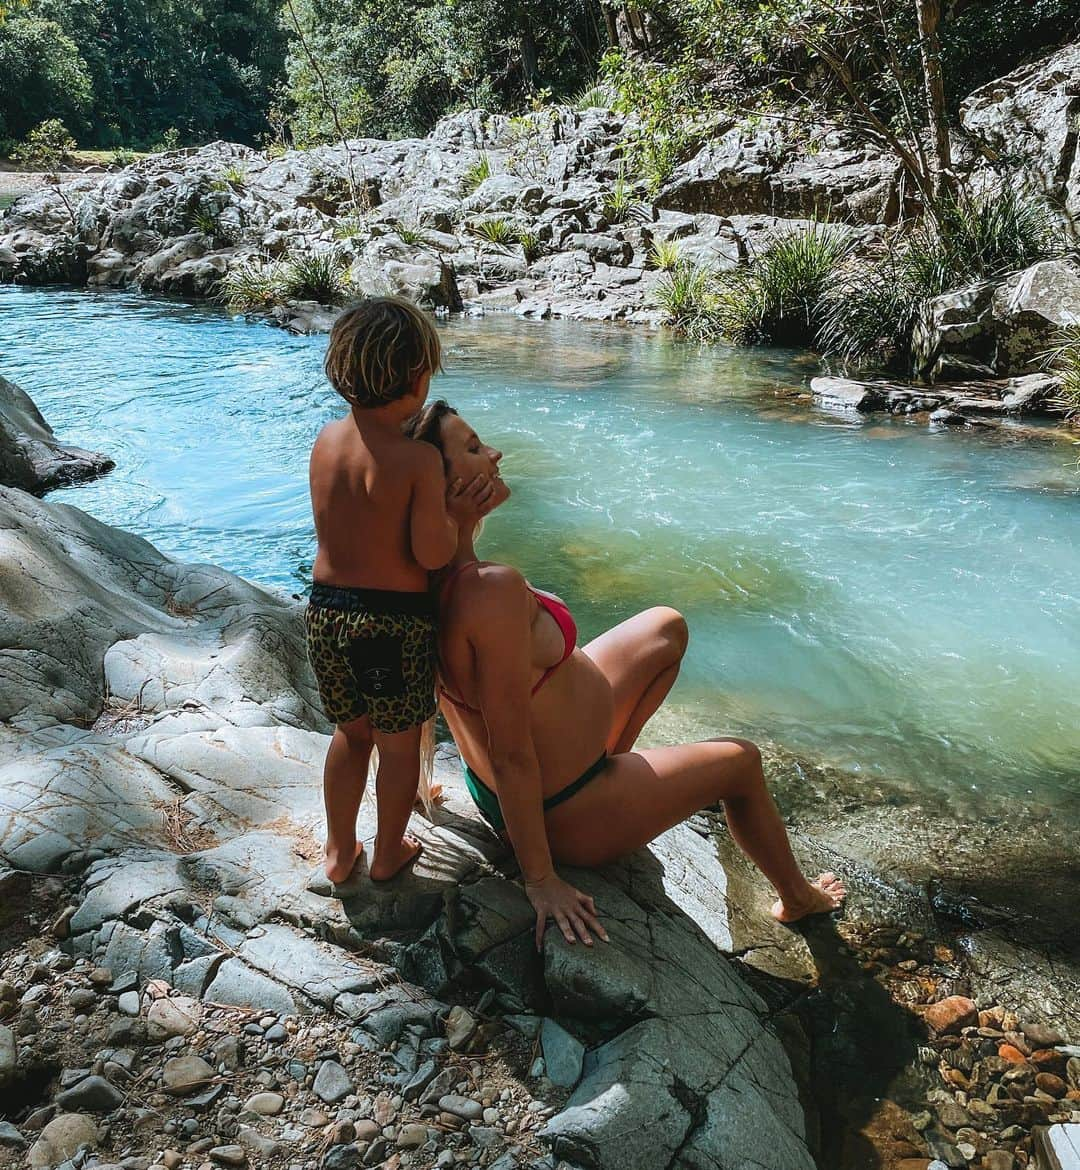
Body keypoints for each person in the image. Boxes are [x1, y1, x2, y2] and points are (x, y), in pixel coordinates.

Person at [404, 400, 847, 949]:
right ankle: (800, 900)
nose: (495, 453)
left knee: (666, 627)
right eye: (472, 449)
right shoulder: (486, 592)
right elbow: (510, 752)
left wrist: (415, 785)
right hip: (566, 810)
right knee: (741, 761)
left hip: (556, 770)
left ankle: (619, 766)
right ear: (438, 489)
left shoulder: (426, 577)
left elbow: (419, 696)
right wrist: (541, 881)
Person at [306, 300, 491, 884]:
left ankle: (338, 851)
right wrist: (456, 517)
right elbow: (430, 553)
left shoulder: (326, 442)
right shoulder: (415, 460)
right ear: (416, 380)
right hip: (389, 626)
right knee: (396, 741)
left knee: (349, 733)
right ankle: (388, 852)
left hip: (325, 615)